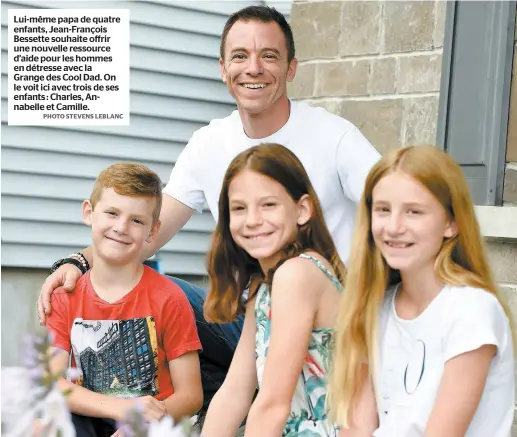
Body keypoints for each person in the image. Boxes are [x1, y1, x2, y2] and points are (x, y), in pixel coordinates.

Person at [37, 5, 380, 418]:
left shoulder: (334, 136)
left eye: (268, 56)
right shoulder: (209, 143)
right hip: (253, 318)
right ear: (223, 68)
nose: (253, 68)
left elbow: (393, 206)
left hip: (325, 323)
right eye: (239, 56)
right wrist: (77, 262)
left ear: (291, 68)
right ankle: (121, 411)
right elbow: (145, 235)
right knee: (166, 293)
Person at [328, 146, 515, 437]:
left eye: (413, 212)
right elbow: (357, 427)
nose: (393, 227)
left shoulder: (472, 310)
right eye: (383, 210)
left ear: (451, 223)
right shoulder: (375, 307)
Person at [45, 163, 203, 437]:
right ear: (88, 213)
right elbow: (53, 382)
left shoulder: (170, 298)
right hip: (92, 415)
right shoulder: (65, 297)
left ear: (153, 231)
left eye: (137, 220)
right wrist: (122, 409)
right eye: (112, 213)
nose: (121, 227)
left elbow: (190, 395)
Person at [200, 143, 343, 437]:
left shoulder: (298, 274)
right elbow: (235, 391)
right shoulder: (264, 284)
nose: (252, 220)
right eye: (239, 208)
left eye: (268, 205)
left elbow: (273, 404)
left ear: (302, 210)